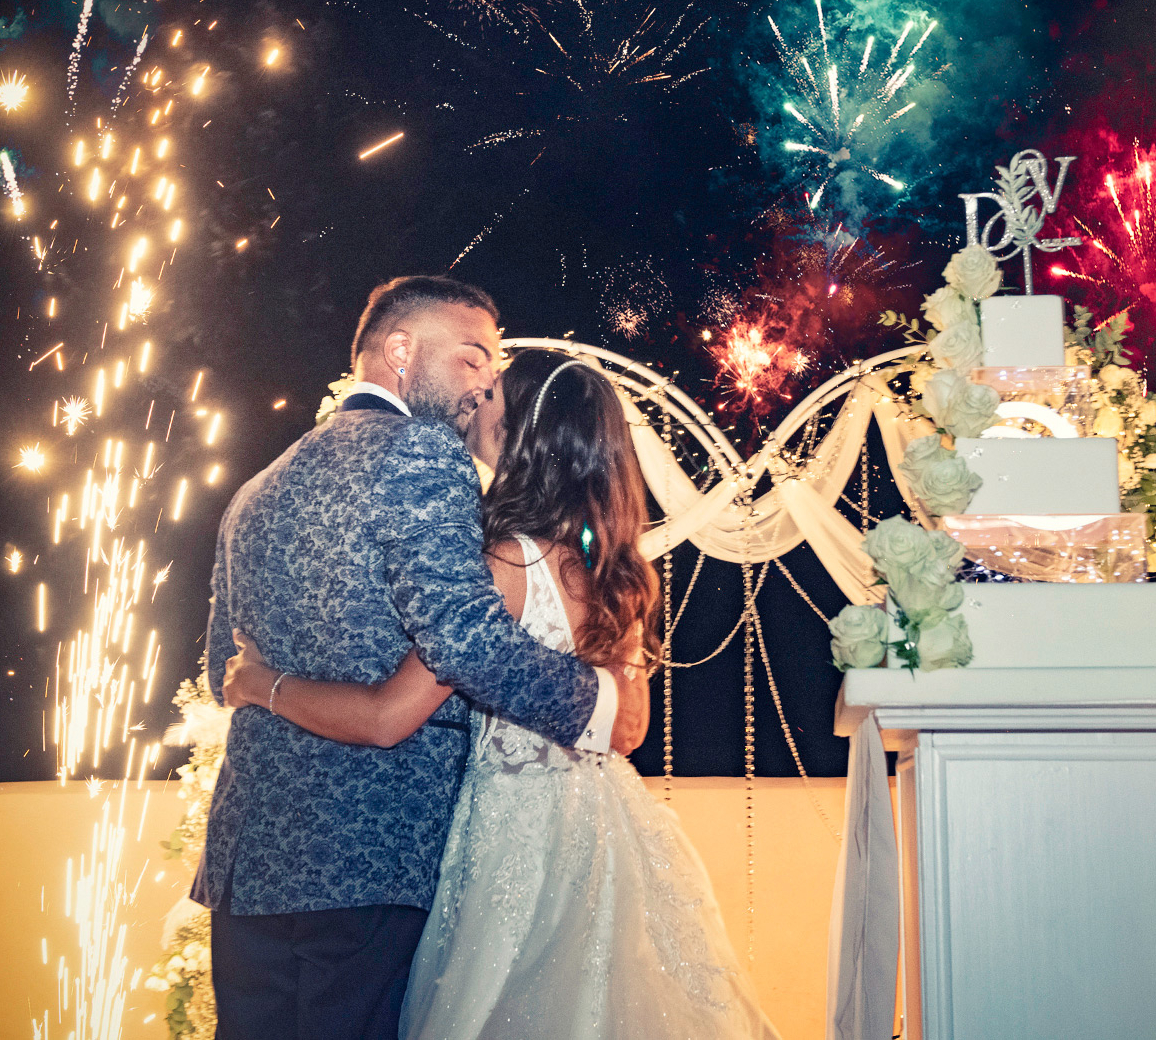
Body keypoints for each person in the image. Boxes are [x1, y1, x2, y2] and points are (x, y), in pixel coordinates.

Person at [224, 347, 778, 1040]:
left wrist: (261, 683)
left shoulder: (506, 564)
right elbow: (627, 727)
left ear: (521, 433)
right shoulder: (620, 569)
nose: (476, 396)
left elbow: (387, 714)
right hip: (605, 831)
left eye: (491, 392)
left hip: (517, 845)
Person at [192, 277, 646, 1040]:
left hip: (249, 864)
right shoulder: (424, 455)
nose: (483, 387)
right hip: (370, 861)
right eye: (472, 360)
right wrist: (607, 705)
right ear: (399, 350)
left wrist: (268, 686)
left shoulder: (255, 486)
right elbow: (464, 637)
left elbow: (219, 673)